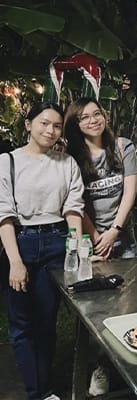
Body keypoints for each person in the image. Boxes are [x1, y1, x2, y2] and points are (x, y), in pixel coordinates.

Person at [0, 102, 85, 400]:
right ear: (28, 124)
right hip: (20, 240)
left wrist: (74, 249)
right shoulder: (7, 162)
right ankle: (37, 391)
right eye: (44, 123)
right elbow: (4, 216)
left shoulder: (67, 163)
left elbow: (73, 209)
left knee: (47, 320)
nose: (50, 130)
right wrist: (15, 261)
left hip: (56, 241)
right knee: (22, 322)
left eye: (57, 125)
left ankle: (44, 387)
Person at [64, 98, 137, 260]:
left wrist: (114, 230)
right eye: (84, 117)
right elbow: (76, 203)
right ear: (75, 124)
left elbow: (129, 195)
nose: (93, 120)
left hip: (123, 236)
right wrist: (97, 238)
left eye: (97, 114)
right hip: (89, 239)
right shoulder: (71, 159)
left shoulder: (123, 147)